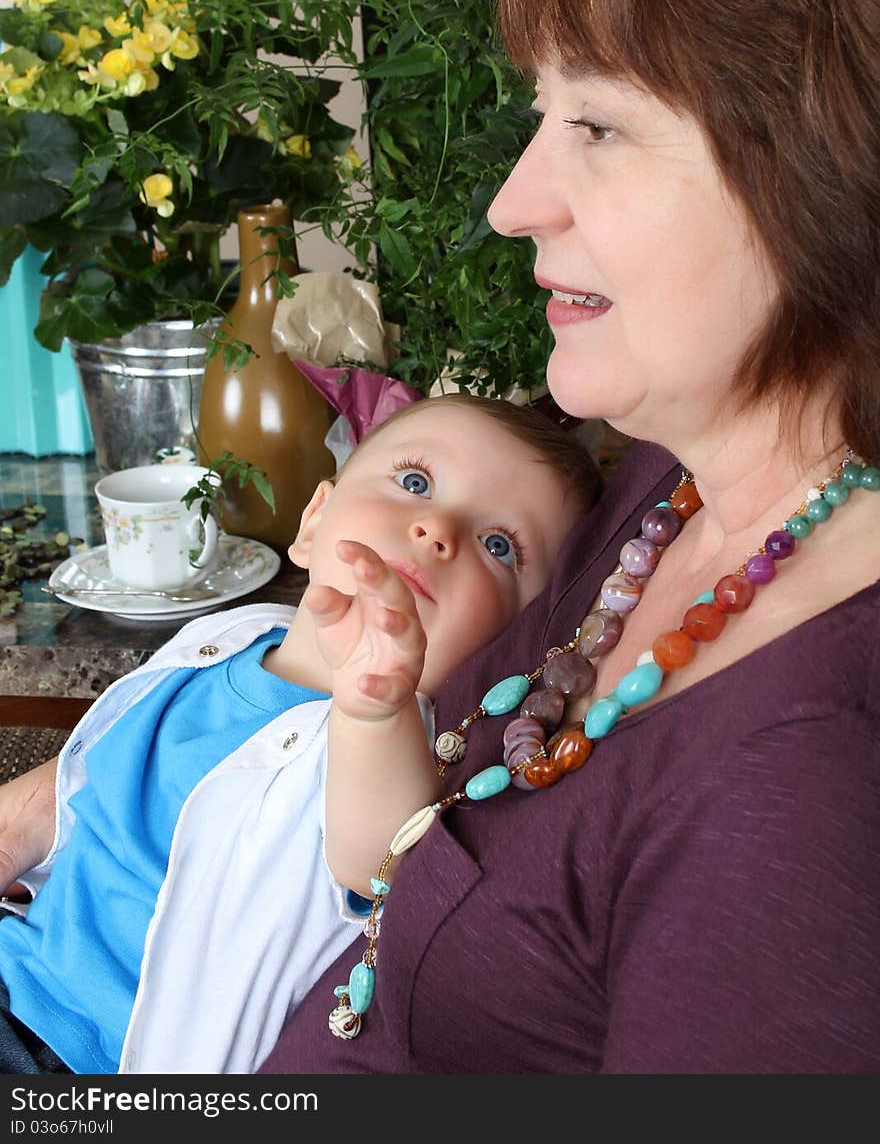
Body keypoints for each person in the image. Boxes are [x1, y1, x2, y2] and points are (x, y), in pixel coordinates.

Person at [254, 0, 880, 1074]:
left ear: (824, 167)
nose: (510, 201)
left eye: (595, 123)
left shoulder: (813, 784)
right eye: (543, 113)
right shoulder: (674, 482)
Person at [0, 393, 601, 1074]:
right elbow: (88, 789)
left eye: (500, 547)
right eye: (414, 482)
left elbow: (379, 860)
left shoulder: (388, 748)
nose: (438, 529)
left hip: (95, 1061)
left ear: (506, 646)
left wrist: (374, 707)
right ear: (315, 521)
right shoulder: (225, 638)